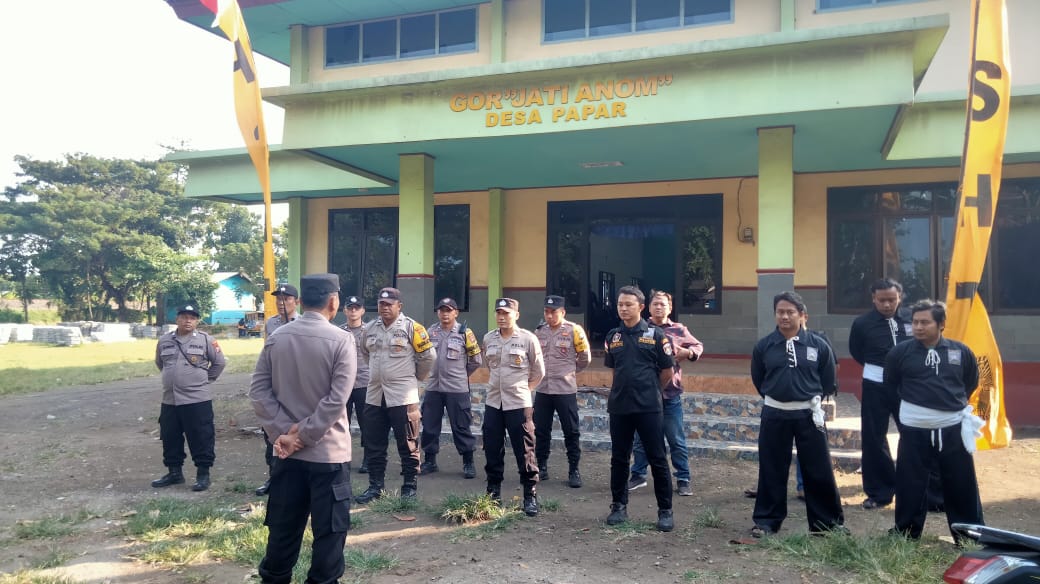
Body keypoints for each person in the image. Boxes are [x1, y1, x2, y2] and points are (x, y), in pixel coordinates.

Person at [249, 273, 357, 584]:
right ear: (333, 302)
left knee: (282, 529)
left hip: (287, 454)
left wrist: (285, 434)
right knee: (329, 533)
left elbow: (258, 392)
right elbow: (337, 399)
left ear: (301, 301)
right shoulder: (341, 340)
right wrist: (304, 436)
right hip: (328, 456)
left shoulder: (277, 338)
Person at [884, 299, 984, 542]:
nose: (918, 327)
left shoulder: (960, 352)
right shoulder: (900, 353)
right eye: (915, 322)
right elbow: (891, 386)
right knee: (910, 480)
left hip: (952, 427)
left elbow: (970, 382)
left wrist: (947, 406)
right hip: (915, 428)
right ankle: (906, 532)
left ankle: (968, 535)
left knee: (960, 481)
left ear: (941, 324)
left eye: (925, 322)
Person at [749, 291, 844, 537]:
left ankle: (826, 524)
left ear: (802, 316)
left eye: (790, 312)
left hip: (808, 415)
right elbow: (759, 379)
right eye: (780, 312)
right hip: (775, 414)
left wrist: (806, 397)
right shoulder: (764, 346)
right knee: (771, 468)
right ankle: (767, 522)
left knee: (818, 468)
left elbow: (828, 380)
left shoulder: (818, 345)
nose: (785, 316)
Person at [604, 286, 676, 532]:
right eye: (620, 304)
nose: (623, 309)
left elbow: (667, 371)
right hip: (620, 407)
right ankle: (618, 506)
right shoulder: (613, 336)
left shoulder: (656, 335)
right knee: (619, 458)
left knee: (657, 458)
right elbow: (615, 370)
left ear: (641, 307)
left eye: (629, 305)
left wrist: (652, 391)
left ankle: (665, 511)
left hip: (648, 407)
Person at [354, 287, 436, 504]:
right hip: (374, 395)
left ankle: (409, 486)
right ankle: (375, 487)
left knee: (408, 443)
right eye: (381, 304)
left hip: (403, 397)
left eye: (389, 304)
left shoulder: (412, 328)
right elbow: (365, 353)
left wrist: (414, 378)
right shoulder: (369, 329)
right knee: (374, 444)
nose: (385, 308)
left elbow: (428, 357)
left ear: (399, 306)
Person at [628, 290, 702, 497]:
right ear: (648, 308)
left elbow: (698, 346)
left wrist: (689, 353)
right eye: (655, 304)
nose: (659, 307)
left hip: (670, 395)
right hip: (645, 395)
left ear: (670, 308)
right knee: (640, 440)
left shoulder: (679, 329)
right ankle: (638, 475)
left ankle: (683, 478)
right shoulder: (640, 328)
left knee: (676, 439)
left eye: (663, 304)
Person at [849, 279, 913, 510]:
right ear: (873, 299)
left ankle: (914, 487)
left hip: (907, 386)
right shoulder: (862, 324)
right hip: (875, 384)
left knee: (913, 434)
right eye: (882, 300)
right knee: (874, 437)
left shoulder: (911, 319)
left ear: (900, 298)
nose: (887, 305)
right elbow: (857, 351)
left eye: (892, 300)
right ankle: (879, 492)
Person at [151, 303, 227, 492]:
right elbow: (160, 363)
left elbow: (219, 363)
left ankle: (203, 475)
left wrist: (203, 381)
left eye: (192, 318)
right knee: (170, 437)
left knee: (201, 437)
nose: (188, 321)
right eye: (184, 317)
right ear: (177, 319)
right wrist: (174, 379)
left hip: (197, 400)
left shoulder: (206, 340)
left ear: (197, 321)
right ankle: (174, 473)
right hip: (170, 400)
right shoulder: (164, 340)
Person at [482, 297, 545, 516]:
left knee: (525, 450)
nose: (501, 317)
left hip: (518, 402)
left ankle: (530, 495)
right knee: (492, 448)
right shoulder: (488, 338)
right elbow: (489, 365)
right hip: (493, 401)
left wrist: (524, 389)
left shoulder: (528, 339)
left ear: (516, 315)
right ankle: (493, 493)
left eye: (506, 313)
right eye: (498, 313)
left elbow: (538, 371)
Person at [420, 297, 483, 479]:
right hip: (434, 387)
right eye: (441, 310)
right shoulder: (430, 332)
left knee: (461, 427)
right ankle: (430, 461)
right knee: (430, 425)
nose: (445, 314)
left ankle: (468, 463)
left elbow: (476, 360)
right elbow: (424, 356)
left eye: (449, 310)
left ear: (456, 313)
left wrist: (461, 375)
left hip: (457, 389)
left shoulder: (465, 333)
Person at [533, 294, 591, 488]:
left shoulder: (574, 330)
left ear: (563, 312)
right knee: (541, 430)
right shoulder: (539, 331)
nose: (549, 316)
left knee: (571, 431)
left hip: (565, 389)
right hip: (543, 389)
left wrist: (570, 372)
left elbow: (584, 358)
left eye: (553, 312)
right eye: (546, 312)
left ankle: (574, 469)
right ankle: (541, 466)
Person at [255, 283, 300, 496]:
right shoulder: (271, 323)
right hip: (275, 381)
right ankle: (273, 477)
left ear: (296, 302)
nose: (281, 303)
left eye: (287, 299)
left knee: (295, 430)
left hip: (296, 383)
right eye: (278, 299)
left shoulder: (302, 323)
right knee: (271, 431)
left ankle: (294, 478)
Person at [340, 295, 371, 474]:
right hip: (343, 384)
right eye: (350, 308)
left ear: (362, 311)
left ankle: (368, 459)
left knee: (366, 424)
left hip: (363, 383)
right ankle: (342, 458)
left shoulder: (370, 332)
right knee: (341, 424)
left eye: (356, 308)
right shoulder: (338, 332)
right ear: (344, 310)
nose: (353, 311)